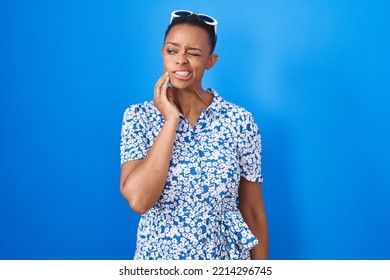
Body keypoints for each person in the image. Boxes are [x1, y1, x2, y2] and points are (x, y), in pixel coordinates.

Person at [120, 10, 268, 260]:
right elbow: (139, 200)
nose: (181, 60)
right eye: (172, 51)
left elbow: (252, 210)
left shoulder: (239, 121)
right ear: (163, 54)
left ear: (211, 61)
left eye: (194, 53)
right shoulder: (138, 117)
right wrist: (170, 121)